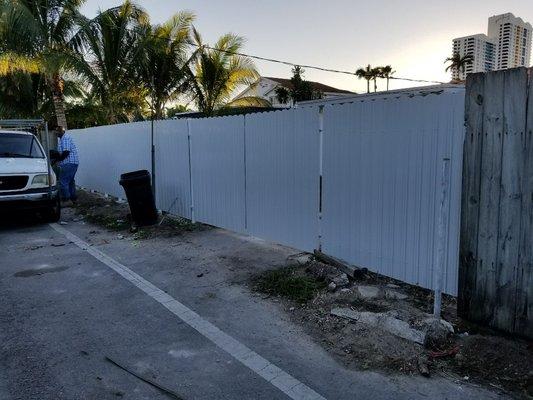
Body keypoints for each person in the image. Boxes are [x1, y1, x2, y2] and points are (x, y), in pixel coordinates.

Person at [56, 126, 79, 205]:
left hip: (68, 163)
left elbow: (66, 152)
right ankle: (74, 199)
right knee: (70, 181)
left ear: (62, 132)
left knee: (63, 181)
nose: (56, 133)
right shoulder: (62, 139)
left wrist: (59, 159)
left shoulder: (65, 138)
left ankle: (67, 200)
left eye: (57, 131)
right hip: (72, 163)